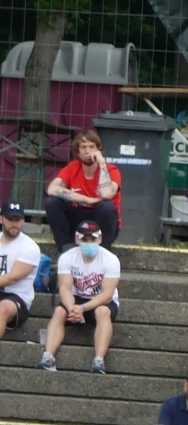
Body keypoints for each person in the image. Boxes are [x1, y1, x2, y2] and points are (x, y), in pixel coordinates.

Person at [39, 221, 118, 373]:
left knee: (103, 312)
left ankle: (99, 360)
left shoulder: (111, 260)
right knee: (59, 312)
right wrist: (72, 308)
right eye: (84, 240)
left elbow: (107, 294)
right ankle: (48, 356)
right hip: (76, 298)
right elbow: (65, 288)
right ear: (77, 239)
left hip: (101, 300)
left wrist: (83, 308)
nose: (89, 243)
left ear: (100, 239)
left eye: (92, 239)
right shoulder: (67, 258)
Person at [44, 129, 121, 250]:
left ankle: (102, 251)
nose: (88, 151)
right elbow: (52, 189)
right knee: (52, 202)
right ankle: (65, 249)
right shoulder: (72, 168)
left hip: (102, 220)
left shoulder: (111, 170)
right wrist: (86, 199)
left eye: (92, 147)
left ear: (98, 150)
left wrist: (102, 163)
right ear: (78, 152)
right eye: (83, 147)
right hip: (78, 218)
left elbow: (106, 195)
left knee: (106, 206)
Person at [0, 200, 41, 341]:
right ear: (1, 219)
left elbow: (12, 278)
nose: (14, 224)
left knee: (2, 309)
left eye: (17, 220)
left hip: (17, 298)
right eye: (10, 219)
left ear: (23, 221)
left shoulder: (30, 247)